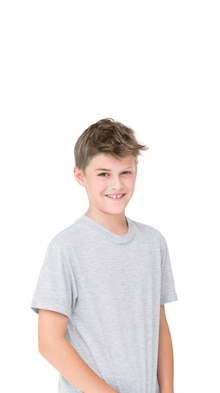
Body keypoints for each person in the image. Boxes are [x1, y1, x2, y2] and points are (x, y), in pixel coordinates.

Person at [31, 118, 177, 393]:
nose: (116, 184)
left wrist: (167, 390)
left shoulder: (153, 242)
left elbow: (160, 327)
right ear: (80, 176)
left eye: (125, 172)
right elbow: (49, 341)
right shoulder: (66, 247)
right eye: (103, 174)